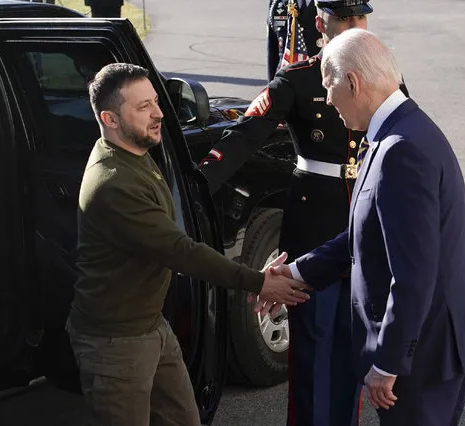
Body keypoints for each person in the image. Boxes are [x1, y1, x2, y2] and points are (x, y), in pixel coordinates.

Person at [259, 28, 465, 425]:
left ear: (352, 82)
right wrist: (296, 272)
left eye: (329, 87)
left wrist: (388, 362)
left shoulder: (401, 148)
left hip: (422, 356)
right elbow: (365, 237)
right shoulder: (398, 131)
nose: (328, 100)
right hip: (426, 346)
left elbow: (413, 273)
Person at [66, 63, 309, 426]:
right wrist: (259, 282)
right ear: (110, 118)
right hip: (116, 344)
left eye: (156, 101)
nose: (159, 113)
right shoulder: (114, 184)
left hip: (150, 327)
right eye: (143, 106)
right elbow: (180, 251)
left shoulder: (134, 154)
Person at [201, 2, 397, 425]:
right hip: (313, 231)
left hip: (365, 228)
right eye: (343, 19)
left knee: (356, 348)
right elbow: (245, 134)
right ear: (319, 22)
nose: (353, 27)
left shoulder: (382, 73)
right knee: (311, 351)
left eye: (359, 18)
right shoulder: (297, 78)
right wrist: (198, 186)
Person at [267, 0, 322, 80]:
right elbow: (273, 51)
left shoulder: (331, 3)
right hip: (285, 81)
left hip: (320, 80)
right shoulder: (278, 3)